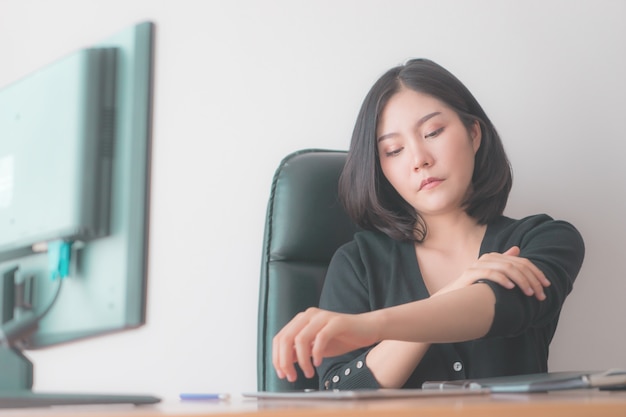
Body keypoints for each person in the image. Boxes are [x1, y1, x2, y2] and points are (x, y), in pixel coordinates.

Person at [272, 58, 585, 390]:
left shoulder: (544, 240)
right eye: (393, 150)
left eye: (433, 132)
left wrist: (373, 327)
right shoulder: (358, 263)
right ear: (382, 169)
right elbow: (341, 393)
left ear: (474, 134)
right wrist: (451, 291)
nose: (419, 159)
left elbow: (501, 306)